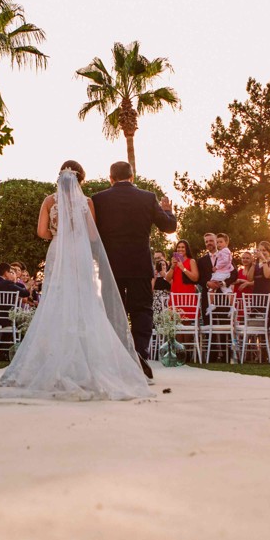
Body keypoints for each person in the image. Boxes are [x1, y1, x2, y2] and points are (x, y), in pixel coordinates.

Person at [0, 162, 152, 400]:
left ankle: (54, 362)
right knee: (84, 302)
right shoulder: (87, 202)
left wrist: (57, 235)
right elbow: (92, 235)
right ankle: (88, 363)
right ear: (81, 178)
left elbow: (41, 232)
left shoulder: (50, 201)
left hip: (58, 252)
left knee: (56, 302)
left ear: (60, 176)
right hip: (79, 254)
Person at [92, 161, 178, 380]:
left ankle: (118, 357)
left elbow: (92, 234)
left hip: (110, 266)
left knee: (113, 312)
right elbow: (169, 227)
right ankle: (139, 352)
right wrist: (169, 212)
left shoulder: (99, 199)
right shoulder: (148, 198)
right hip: (140, 264)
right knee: (142, 310)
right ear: (132, 177)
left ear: (110, 178)